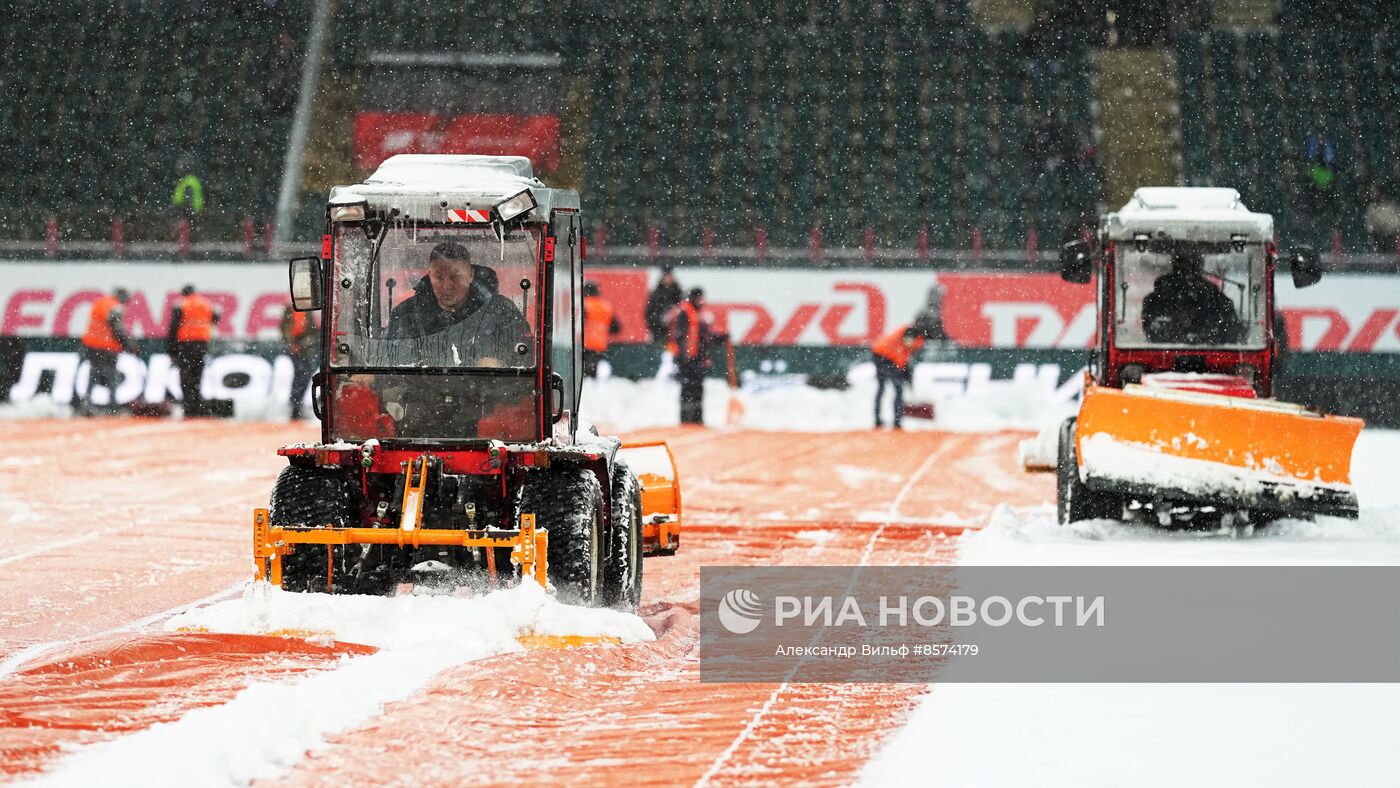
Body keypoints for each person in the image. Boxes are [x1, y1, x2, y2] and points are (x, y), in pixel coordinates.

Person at [384, 241, 529, 365]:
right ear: (429, 275)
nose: (447, 285)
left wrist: (501, 365)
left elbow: (525, 358)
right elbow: (388, 361)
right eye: (439, 277)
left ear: (471, 275)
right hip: (419, 396)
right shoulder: (406, 314)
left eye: (455, 276)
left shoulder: (503, 312)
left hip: (486, 394)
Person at [1140, 251, 1244, 345]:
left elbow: (1153, 330)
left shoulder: (1158, 294)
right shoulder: (1213, 294)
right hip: (1206, 351)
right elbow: (1229, 331)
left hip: (1170, 353)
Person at [871, 314, 940, 430]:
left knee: (882, 388)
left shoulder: (914, 334)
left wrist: (904, 369)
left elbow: (904, 353)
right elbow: (905, 345)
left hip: (881, 354)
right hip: (885, 357)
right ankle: (895, 422)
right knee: (896, 388)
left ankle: (881, 420)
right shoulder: (912, 332)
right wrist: (903, 370)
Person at [670, 287, 727, 425]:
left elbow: (706, 336)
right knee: (688, 389)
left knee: (697, 389)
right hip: (687, 359)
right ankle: (686, 419)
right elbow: (680, 336)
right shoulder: (685, 313)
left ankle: (696, 418)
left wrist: (721, 338)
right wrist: (683, 357)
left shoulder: (699, 314)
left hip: (697, 358)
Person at [78, 287, 137, 416]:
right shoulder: (115, 306)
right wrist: (128, 344)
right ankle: (113, 406)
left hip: (91, 344)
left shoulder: (101, 302)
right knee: (111, 376)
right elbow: (117, 328)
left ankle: (87, 403)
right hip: (106, 347)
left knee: (93, 375)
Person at [167, 284, 219, 417]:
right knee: (197, 374)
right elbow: (216, 318)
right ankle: (197, 405)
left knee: (185, 376)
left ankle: (188, 406)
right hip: (201, 344)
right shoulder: (205, 304)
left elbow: (173, 327)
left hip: (185, 344)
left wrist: (171, 348)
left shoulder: (181, 304)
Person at [280, 304, 318, 419]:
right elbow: (284, 328)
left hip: (305, 348)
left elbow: (311, 329)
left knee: (304, 376)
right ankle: (295, 405)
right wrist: (291, 343)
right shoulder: (290, 310)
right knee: (300, 375)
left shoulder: (306, 311)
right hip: (297, 346)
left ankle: (296, 404)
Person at [582, 281, 620, 378]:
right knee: (593, 374)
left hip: (585, 344)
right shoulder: (606, 307)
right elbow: (617, 328)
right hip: (599, 346)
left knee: (583, 376)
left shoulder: (584, 305)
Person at [645, 266, 683, 343]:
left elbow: (683, 309)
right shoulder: (656, 294)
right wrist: (658, 322)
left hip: (675, 332)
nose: (668, 279)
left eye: (669, 276)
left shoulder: (678, 293)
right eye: (666, 276)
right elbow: (649, 313)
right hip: (659, 332)